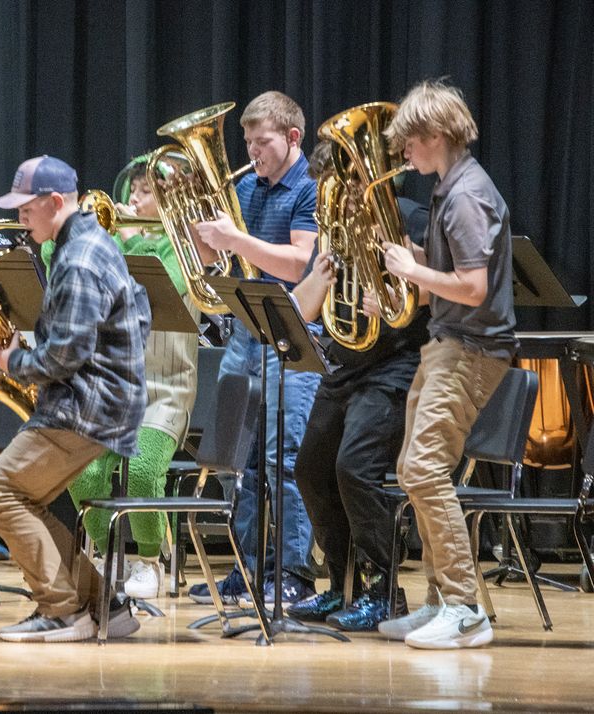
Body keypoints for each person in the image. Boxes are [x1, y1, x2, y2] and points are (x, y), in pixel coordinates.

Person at [0, 155, 150, 642]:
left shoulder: (78, 259)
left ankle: (62, 612)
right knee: (24, 496)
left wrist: (14, 364)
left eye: (25, 209)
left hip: (84, 407)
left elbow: (64, 357)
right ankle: (103, 607)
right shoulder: (92, 243)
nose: (19, 218)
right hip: (99, 403)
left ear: (55, 202)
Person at [376, 78, 517, 649]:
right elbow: (447, 286)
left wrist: (413, 273)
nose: (403, 153)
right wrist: (408, 262)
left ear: (435, 135)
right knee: (414, 469)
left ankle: (464, 609)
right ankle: (439, 600)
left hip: (471, 351)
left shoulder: (463, 196)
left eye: (408, 142)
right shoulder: (448, 189)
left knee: (425, 469)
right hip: (447, 345)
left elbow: (472, 287)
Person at [286, 140, 430, 632]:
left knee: (354, 468)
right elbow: (304, 313)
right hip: (343, 364)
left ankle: (384, 590)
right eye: (331, 190)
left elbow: (435, 290)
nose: (340, 200)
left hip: (394, 365)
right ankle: (341, 585)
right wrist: (321, 282)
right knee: (309, 468)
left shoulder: (407, 218)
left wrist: (393, 298)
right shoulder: (334, 233)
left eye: (345, 188)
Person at [189, 91, 320, 607]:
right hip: (244, 334)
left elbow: (298, 265)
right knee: (234, 458)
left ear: (292, 138)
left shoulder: (308, 189)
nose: (251, 151)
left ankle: (291, 574)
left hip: (289, 336)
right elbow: (221, 260)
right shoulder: (247, 187)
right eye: (246, 141)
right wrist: (203, 240)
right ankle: (245, 570)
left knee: (282, 459)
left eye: (261, 141)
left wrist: (235, 240)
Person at [46, 155, 198, 599]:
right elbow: (51, 254)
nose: (133, 198)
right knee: (83, 474)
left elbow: (159, 287)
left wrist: (129, 237)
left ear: (171, 199)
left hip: (164, 389)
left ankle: (150, 561)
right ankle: (108, 555)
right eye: (132, 191)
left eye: (146, 192)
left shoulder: (183, 246)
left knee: (143, 471)